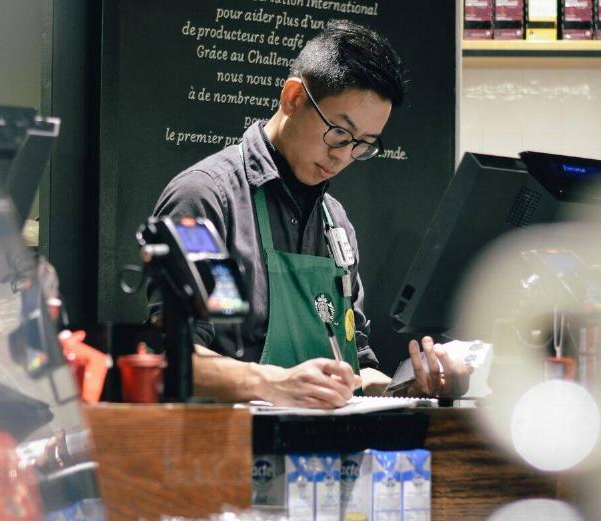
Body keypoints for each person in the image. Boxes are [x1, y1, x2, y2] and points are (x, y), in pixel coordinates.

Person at [151, 20, 470, 407]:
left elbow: (356, 367)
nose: (343, 156)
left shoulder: (335, 222)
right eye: (339, 133)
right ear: (293, 97)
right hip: (232, 441)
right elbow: (171, 359)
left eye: (363, 144)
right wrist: (273, 382)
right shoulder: (208, 200)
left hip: (330, 445)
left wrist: (409, 389)